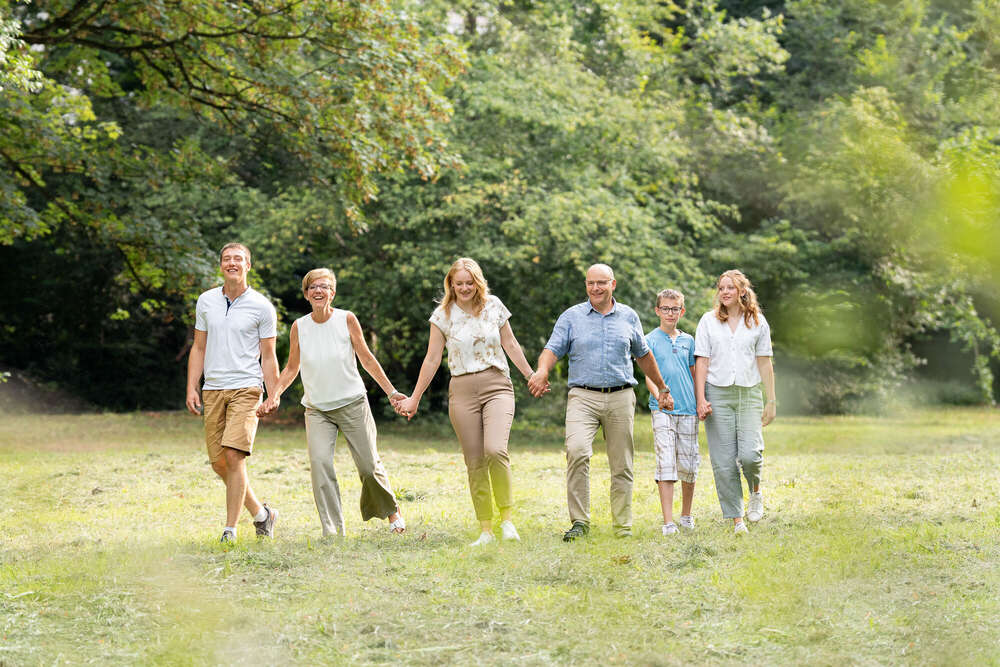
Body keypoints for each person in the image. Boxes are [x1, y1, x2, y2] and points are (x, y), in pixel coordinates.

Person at [396, 258, 540, 546]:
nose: (464, 288)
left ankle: (507, 521)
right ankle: (486, 529)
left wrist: (531, 375)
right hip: (461, 390)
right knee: (474, 461)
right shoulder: (443, 315)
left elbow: (510, 343)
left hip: (497, 384)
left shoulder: (494, 306)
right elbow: (433, 358)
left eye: (469, 282)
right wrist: (414, 398)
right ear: (450, 284)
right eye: (458, 283)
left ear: (478, 282)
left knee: (495, 450)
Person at [528, 264, 674, 541]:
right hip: (582, 396)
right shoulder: (571, 317)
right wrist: (542, 371)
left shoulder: (629, 316)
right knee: (577, 450)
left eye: (601, 283)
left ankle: (622, 526)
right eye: (591, 283)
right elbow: (552, 349)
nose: (595, 288)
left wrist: (662, 388)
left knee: (622, 463)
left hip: (620, 396)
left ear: (613, 284)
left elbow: (643, 355)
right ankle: (580, 522)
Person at [257, 268, 406, 537]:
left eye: (324, 286)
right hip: (317, 409)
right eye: (312, 286)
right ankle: (333, 530)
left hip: (352, 403)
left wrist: (391, 392)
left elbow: (367, 358)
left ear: (332, 292)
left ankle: (392, 512)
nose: (318, 290)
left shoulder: (346, 319)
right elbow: (292, 367)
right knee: (320, 464)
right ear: (306, 293)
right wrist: (274, 395)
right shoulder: (299, 327)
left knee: (369, 466)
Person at [185, 242, 279, 543]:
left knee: (234, 455)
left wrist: (273, 393)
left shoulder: (262, 307)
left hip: (247, 388)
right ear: (221, 265)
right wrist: (192, 385)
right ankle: (262, 514)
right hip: (213, 389)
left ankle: (230, 530)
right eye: (227, 259)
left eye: (238, 259)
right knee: (218, 462)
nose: (232, 263)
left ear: (248, 265)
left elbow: (269, 355)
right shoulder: (206, 301)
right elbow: (198, 347)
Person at [694, 269, 776, 536]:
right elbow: (702, 361)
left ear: (742, 290)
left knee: (750, 456)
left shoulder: (758, 322)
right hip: (717, 394)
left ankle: (755, 491)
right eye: (721, 288)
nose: (724, 292)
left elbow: (764, 361)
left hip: (749, 394)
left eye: (730, 287)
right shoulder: (708, 321)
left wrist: (771, 400)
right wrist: (701, 398)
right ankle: (736, 518)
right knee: (724, 461)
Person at [644, 289, 699, 536]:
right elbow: (648, 377)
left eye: (675, 309)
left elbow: (695, 374)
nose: (670, 313)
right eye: (665, 308)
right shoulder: (650, 340)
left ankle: (686, 516)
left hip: (688, 409)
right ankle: (668, 522)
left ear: (682, 311)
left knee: (688, 465)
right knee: (666, 463)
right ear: (657, 311)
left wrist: (701, 402)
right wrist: (660, 397)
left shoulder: (688, 340)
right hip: (662, 409)